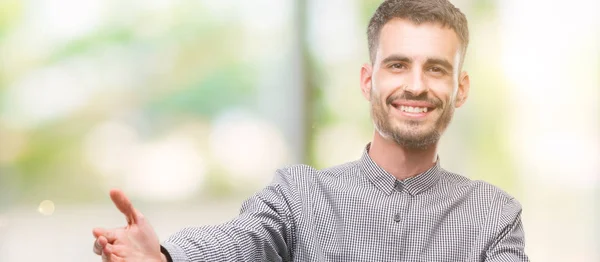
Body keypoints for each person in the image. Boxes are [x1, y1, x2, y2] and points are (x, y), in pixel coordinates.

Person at [92, 0, 529, 261]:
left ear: (460, 88)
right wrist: (167, 257)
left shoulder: (494, 216)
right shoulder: (298, 196)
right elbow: (241, 243)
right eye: (398, 65)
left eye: (435, 69)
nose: (415, 84)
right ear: (367, 80)